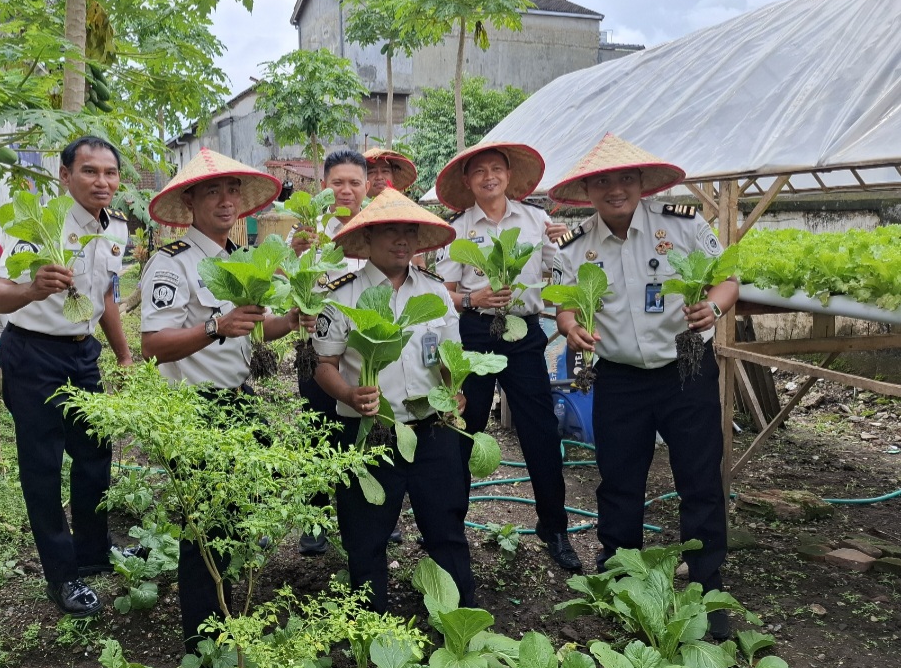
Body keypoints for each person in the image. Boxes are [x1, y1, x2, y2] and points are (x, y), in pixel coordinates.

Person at [547, 133, 738, 640]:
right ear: (588, 189)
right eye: (603, 181)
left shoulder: (682, 224)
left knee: (699, 478)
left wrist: (712, 307)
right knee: (619, 480)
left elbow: (728, 279)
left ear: (641, 184)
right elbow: (563, 303)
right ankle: (619, 574)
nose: (615, 189)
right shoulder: (575, 245)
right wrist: (570, 325)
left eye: (625, 178)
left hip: (686, 368)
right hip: (620, 378)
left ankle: (705, 585)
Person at [141, 147, 306, 648]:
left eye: (232, 189)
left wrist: (291, 320)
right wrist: (214, 325)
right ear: (190, 200)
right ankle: (204, 645)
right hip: (193, 411)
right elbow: (152, 345)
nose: (225, 200)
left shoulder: (240, 261)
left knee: (238, 517)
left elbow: (250, 333)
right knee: (203, 533)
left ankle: (229, 614)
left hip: (238, 401)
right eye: (211, 190)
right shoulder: (171, 264)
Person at [0, 136, 134, 617]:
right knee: (43, 468)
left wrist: (124, 357)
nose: (102, 181)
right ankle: (62, 576)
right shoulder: (41, 226)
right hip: (32, 356)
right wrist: (30, 289)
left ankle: (94, 554)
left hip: (81, 354)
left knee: (94, 456)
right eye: (90, 171)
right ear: (65, 175)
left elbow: (106, 298)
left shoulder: (116, 231)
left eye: (110, 173)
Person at [313, 188, 476, 611]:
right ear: (366, 240)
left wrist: (454, 388)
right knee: (365, 538)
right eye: (389, 231)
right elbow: (324, 365)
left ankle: (457, 622)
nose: (401, 239)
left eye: (408, 231)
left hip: (431, 431)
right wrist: (350, 393)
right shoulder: (342, 294)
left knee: (447, 531)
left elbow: (449, 358)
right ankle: (371, 633)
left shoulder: (436, 293)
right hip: (368, 433)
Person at [433, 141, 581, 571]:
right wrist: (473, 296)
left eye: (496, 169)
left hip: (523, 334)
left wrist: (568, 239)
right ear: (468, 181)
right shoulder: (458, 229)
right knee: (463, 429)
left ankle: (554, 528)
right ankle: (450, 528)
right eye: (479, 172)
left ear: (509, 177)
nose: (489, 177)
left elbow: (565, 271)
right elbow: (441, 291)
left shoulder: (537, 221)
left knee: (540, 431)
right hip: (474, 333)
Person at [287, 149, 369, 554]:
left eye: (355, 182)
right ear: (324, 186)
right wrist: (301, 254)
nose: (346, 190)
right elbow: (287, 280)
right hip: (320, 351)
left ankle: (375, 516)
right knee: (320, 430)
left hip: (369, 348)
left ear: (366, 187)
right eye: (338, 182)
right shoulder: (306, 232)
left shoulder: (378, 226)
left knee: (370, 430)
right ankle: (316, 519)